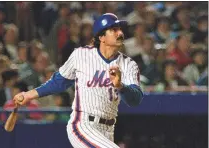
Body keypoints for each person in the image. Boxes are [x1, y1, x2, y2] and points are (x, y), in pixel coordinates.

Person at [13, 13, 144, 148]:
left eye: (119, 29)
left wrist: (120, 86)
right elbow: (58, 82)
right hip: (83, 125)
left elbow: (135, 100)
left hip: (108, 130)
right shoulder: (81, 55)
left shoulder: (129, 65)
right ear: (101, 37)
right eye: (113, 29)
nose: (119, 32)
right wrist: (28, 95)